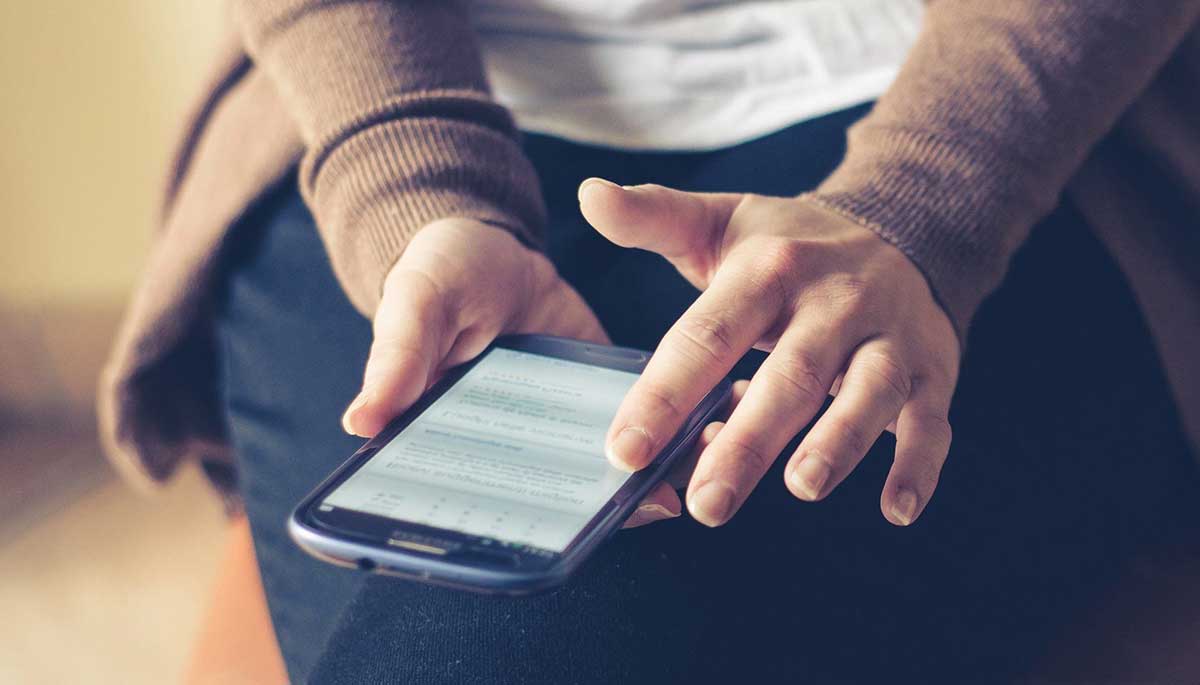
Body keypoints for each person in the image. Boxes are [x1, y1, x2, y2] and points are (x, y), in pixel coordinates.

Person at [100, 1, 1200, 682]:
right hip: (412, 90)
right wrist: (416, 189)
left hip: (970, 116)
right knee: (495, 619)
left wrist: (922, 209)